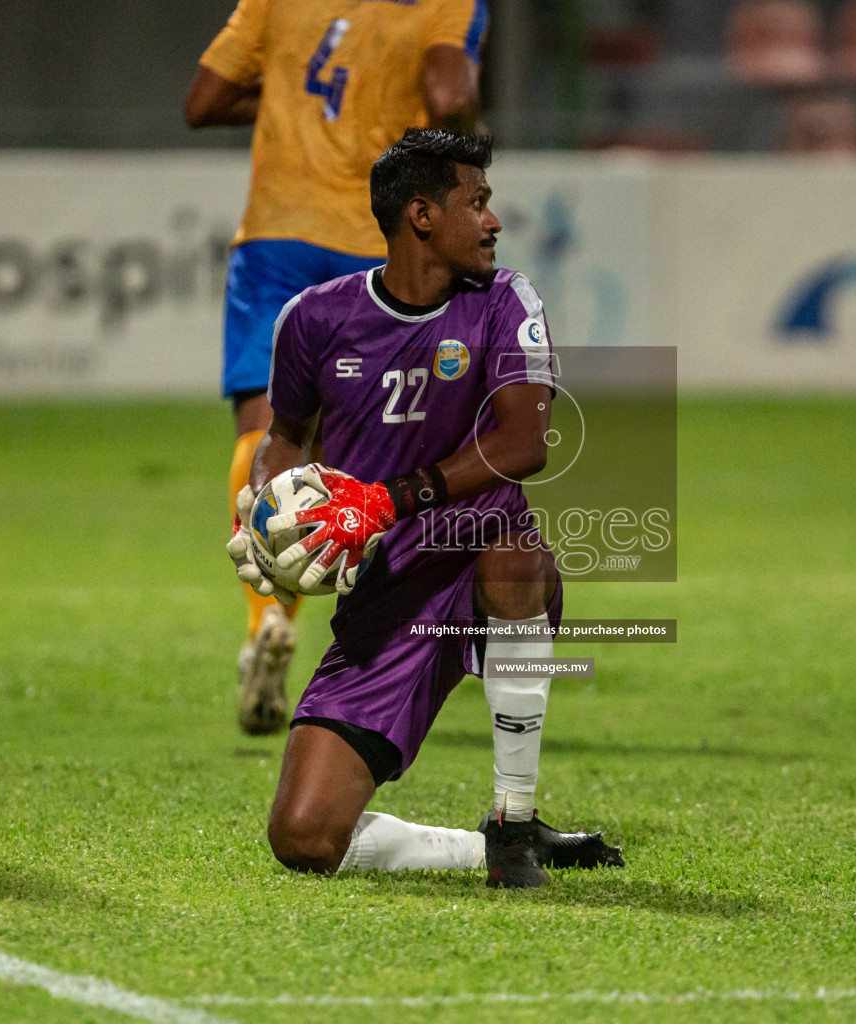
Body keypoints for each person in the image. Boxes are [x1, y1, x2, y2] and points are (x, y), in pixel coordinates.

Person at [226, 129, 623, 887]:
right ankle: (491, 847)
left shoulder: (506, 301)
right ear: (421, 216)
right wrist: (263, 511)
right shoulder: (313, 320)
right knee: (304, 838)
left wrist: (386, 498)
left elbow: (524, 443)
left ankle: (512, 817)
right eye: (476, 203)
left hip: (480, 560)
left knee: (514, 554)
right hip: (385, 593)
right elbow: (284, 438)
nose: (494, 221)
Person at [186, 0, 487, 736]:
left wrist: (290, 102)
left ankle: (265, 618)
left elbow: (204, 100)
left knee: (266, 428)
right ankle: (402, 633)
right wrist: (466, 142)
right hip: (372, 241)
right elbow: (448, 95)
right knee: (346, 450)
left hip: (275, 236)